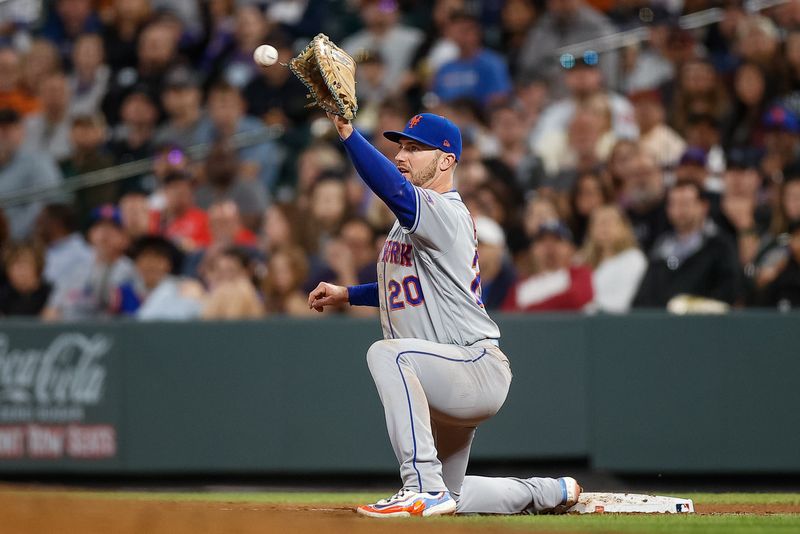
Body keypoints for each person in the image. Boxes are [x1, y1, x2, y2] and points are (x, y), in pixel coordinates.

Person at [307, 111, 581, 517]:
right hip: (444, 371)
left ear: (447, 160)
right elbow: (409, 289)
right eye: (401, 146)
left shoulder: (444, 211)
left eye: (415, 149)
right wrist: (349, 293)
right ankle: (548, 491)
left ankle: (421, 485)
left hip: (473, 366)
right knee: (454, 495)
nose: (402, 155)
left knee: (387, 353)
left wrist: (348, 132)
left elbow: (393, 189)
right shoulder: (414, 224)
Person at [633, 181, 741, 308]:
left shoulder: (720, 246)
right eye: (674, 204)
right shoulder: (661, 248)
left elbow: (730, 291)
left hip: (703, 322)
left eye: (685, 204)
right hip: (662, 323)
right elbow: (643, 296)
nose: (679, 210)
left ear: (703, 207)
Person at [502, 220, 594, 312]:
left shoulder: (580, 273)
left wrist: (526, 313)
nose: (549, 246)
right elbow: (509, 316)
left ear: (571, 248)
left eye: (557, 240)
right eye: (541, 241)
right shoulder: (520, 286)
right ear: (533, 250)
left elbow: (577, 299)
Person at [579, 205, 647, 313]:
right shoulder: (582, 263)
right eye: (598, 222)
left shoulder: (633, 259)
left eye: (610, 221)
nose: (604, 227)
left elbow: (622, 301)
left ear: (624, 227)